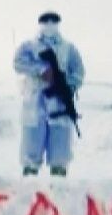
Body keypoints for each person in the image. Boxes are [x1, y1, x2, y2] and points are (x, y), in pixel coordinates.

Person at [13, 11, 85, 176]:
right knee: (31, 151)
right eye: (46, 21)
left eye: (54, 21)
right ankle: (29, 183)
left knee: (60, 153)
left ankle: (58, 184)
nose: (50, 24)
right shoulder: (29, 46)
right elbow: (18, 63)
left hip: (59, 106)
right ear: (40, 23)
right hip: (34, 104)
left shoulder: (69, 48)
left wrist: (67, 85)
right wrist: (41, 70)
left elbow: (79, 72)